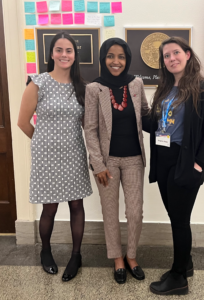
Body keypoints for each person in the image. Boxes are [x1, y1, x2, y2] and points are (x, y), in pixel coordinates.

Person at [142, 37, 204, 295]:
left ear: (187, 54)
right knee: (175, 216)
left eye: (176, 53)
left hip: (185, 162)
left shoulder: (203, 88)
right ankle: (185, 264)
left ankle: (178, 278)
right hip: (163, 160)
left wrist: (199, 165)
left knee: (179, 220)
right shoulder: (165, 88)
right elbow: (155, 124)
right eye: (166, 56)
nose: (171, 58)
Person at [17, 32, 92, 282]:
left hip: (74, 154)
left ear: (74, 55)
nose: (64, 55)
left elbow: (86, 125)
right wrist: (43, 143)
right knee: (49, 208)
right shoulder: (37, 82)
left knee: (76, 205)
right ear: (51, 54)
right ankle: (46, 251)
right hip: (47, 158)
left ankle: (76, 255)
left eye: (68, 50)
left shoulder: (82, 86)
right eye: (59, 50)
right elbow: (22, 122)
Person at [84, 38, 149, 284]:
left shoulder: (137, 84)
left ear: (127, 59)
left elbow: (145, 114)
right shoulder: (94, 88)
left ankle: (131, 256)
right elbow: (90, 129)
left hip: (134, 159)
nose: (116, 61)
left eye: (121, 56)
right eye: (110, 56)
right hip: (107, 163)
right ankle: (117, 259)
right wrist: (98, 164)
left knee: (134, 212)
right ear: (103, 59)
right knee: (110, 212)